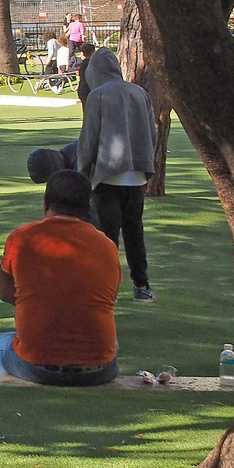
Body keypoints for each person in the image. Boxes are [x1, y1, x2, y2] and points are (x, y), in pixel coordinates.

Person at [0, 169, 121, 385]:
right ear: (88, 208)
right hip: (99, 370)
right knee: (113, 344)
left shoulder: (20, 238)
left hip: (37, 367)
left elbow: (5, 293)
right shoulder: (107, 246)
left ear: (45, 203)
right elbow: (107, 297)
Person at [77, 47, 158, 301]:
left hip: (108, 175)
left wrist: (82, 171)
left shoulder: (98, 96)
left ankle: (105, 289)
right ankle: (142, 286)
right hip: (136, 175)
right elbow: (151, 134)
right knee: (134, 231)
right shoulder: (139, 93)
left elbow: (90, 138)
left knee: (106, 236)